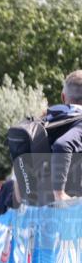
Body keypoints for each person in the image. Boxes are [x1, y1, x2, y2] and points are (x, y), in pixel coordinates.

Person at [50, 70, 82, 201]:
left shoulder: (48, 120)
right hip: (71, 211)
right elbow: (63, 145)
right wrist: (59, 194)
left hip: (40, 208)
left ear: (63, 97)